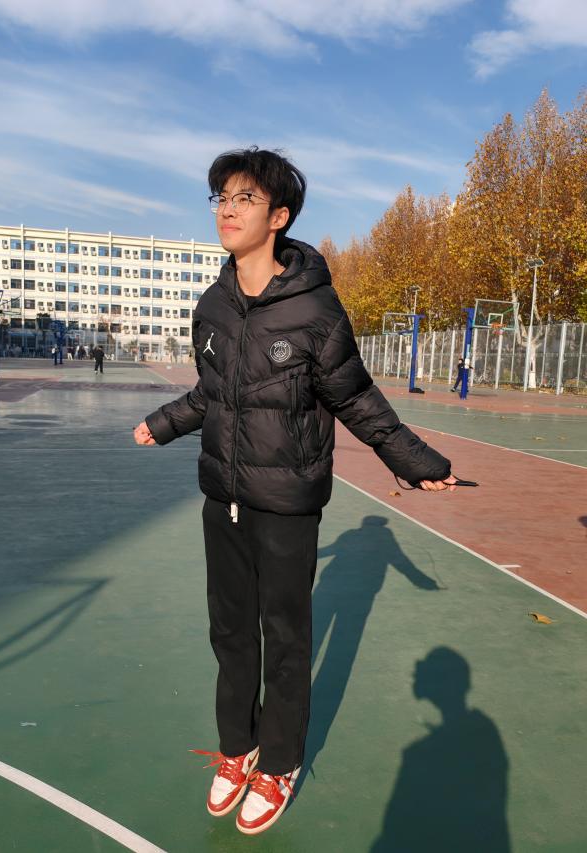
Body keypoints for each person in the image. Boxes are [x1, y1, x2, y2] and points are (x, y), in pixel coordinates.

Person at [133, 147, 457, 836]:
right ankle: (237, 747)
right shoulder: (212, 306)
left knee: (283, 637)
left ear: (278, 216)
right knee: (229, 632)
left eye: (244, 199)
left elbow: (355, 396)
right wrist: (164, 422)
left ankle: (279, 762)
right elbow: (212, 394)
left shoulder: (316, 309)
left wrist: (411, 457)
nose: (227, 209)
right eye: (221, 196)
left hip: (287, 503)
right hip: (221, 495)